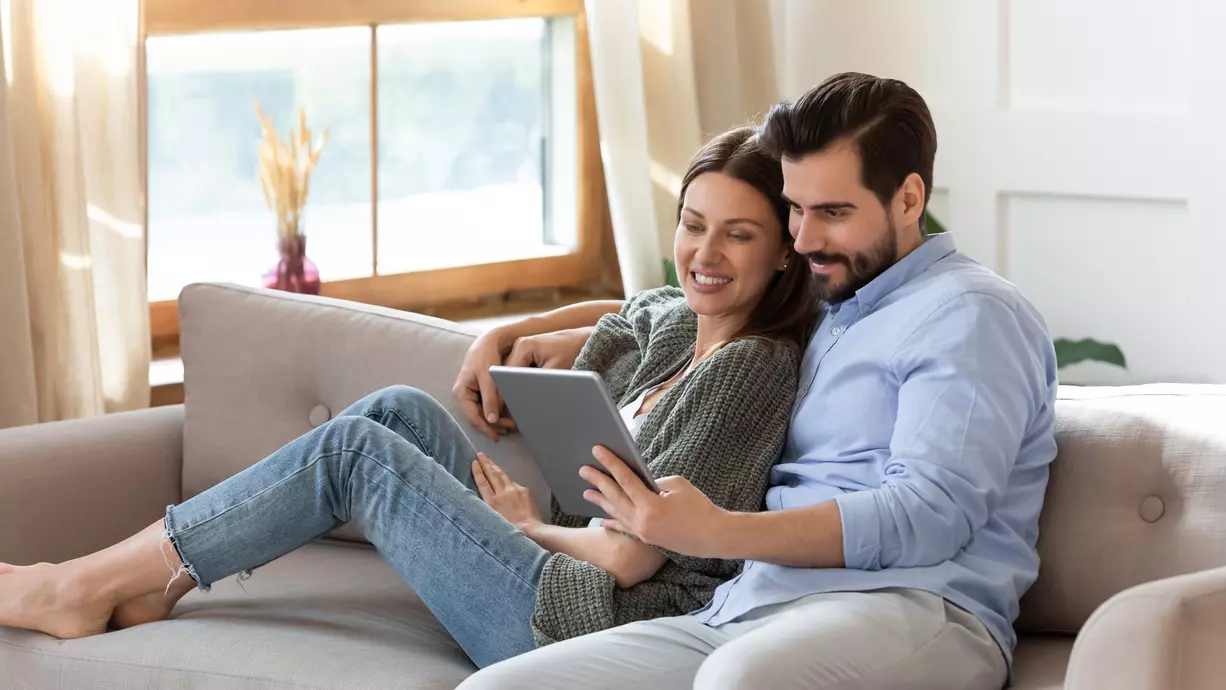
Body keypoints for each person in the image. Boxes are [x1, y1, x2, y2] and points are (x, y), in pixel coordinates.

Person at [0, 127, 819, 670]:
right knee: (396, 409)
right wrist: (512, 332)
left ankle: (75, 587)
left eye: (738, 234)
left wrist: (526, 525)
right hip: (553, 560)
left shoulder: (749, 367)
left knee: (357, 452)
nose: (703, 253)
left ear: (786, 251)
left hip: (586, 615)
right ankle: (156, 584)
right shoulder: (684, 322)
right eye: (692, 223)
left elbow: (637, 555)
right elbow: (630, 306)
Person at [457, 72, 1058, 690]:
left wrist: (714, 529)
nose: (802, 238)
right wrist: (529, 332)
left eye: (832, 212)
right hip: (752, 604)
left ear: (908, 199)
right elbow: (678, 303)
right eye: (795, 210)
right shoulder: (834, 296)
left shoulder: (972, 314)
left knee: (736, 682)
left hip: (915, 606)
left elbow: (928, 515)